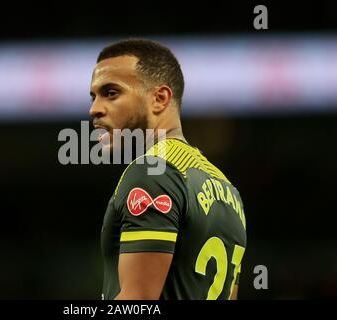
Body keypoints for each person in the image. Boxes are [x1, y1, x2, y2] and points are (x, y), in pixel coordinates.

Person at [89, 39, 247, 300]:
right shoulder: (228, 189)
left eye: (111, 93)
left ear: (159, 99)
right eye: (94, 96)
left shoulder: (153, 173)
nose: (94, 109)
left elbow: (138, 302)